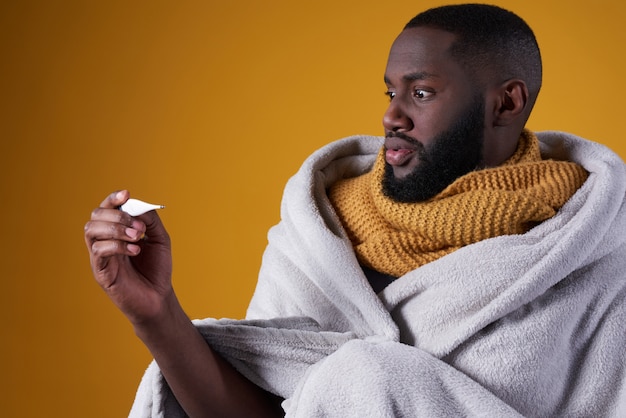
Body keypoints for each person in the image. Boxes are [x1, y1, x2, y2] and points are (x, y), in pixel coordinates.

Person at [84, 4, 626, 417]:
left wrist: (379, 382)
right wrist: (156, 314)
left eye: (421, 93)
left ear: (505, 102)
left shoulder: (591, 247)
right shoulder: (321, 232)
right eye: (391, 91)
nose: (391, 115)